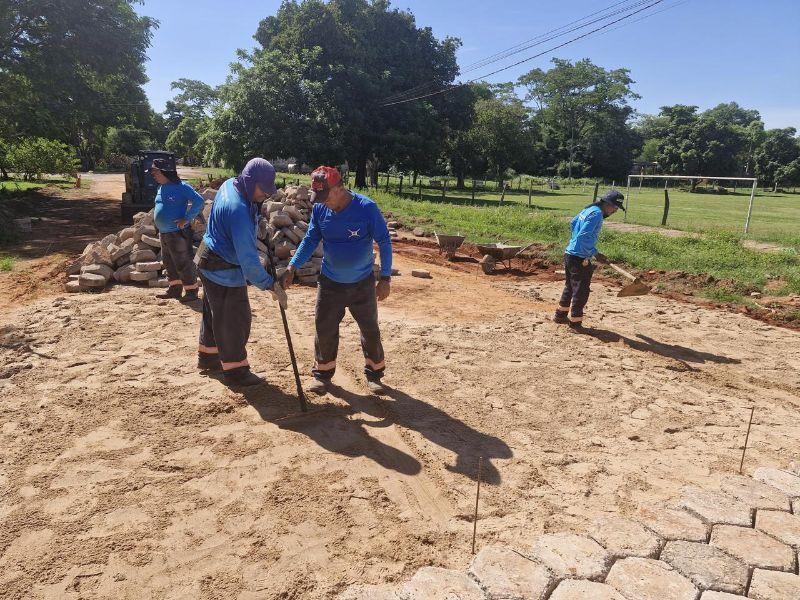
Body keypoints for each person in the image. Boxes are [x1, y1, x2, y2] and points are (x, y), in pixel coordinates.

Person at [282, 166, 392, 395]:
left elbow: (384, 242)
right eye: (318, 197)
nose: (322, 202)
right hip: (330, 282)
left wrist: (385, 278)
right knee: (324, 329)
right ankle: (323, 375)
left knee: (370, 330)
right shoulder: (321, 209)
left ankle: (375, 375)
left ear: (340, 187)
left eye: (326, 196)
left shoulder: (366, 208)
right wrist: (293, 266)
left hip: (362, 283)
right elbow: (311, 239)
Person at [196, 158, 287, 387]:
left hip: (208, 256)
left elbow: (249, 210)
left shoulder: (231, 184)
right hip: (221, 266)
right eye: (262, 190)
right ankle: (236, 370)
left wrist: (258, 221)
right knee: (235, 318)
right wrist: (270, 285)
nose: (264, 195)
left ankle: (208, 357)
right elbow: (249, 263)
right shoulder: (237, 209)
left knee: (215, 313)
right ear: (249, 181)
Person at [554, 189, 625, 329]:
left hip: (570, 254)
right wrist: (595, 253)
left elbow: (573, 223)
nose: (615, 211)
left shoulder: (590, 209)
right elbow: (584, 237)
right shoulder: (597, 214)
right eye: (615, 207)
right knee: (581, 290)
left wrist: (575, 241)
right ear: (607, 204)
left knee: (570, 286)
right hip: (579, 257)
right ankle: (575, 323)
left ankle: (560, 315)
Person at [149, 158, 204, 302]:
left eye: (154, 171)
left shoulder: (181, 187)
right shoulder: (160, 188)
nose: (152, 174)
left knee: (183, 262)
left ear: (163, 171)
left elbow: (199, 201)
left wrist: (187, 218)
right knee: (169, 262)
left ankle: (191, 291)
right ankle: (175, 289)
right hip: (164, 233)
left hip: (177, 233)